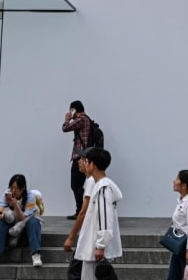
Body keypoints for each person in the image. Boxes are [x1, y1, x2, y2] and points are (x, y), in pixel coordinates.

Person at [72, 148, 123, 280]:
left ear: (92, 164)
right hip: (93, 245)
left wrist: (100, 245)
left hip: (95, 246)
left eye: (86, 161)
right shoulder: (99, 185)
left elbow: (105, 217)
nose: (84, 164)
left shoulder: (103, 188)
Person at [0, 174, 43, 267]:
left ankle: (36, 254)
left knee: (34, 221)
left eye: (16, 188)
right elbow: (0, 207)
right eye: (12, 187)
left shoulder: (30, 196)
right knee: (1, 221)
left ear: (23, 188)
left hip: (24, 225)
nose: (13, 190)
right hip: (10, 226)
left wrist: (15, 204)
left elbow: (22, 218)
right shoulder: (7, 193)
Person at [63, 100, 92, 219]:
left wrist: (67, 119)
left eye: (71, 110)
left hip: (80, 157)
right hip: (84, 156)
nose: (70, 112)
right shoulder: (87, 119)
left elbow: (65, 128)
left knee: (76, 185)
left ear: (74, 109)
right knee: (78, 186)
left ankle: (81, 212)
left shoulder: (81, 119)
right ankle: (83, 210)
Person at [64, 148, 95, 253]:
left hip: (91, 235)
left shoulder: (91, 181)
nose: (79, 161)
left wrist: (70, 238)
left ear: (91, 164)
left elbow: (83, 212)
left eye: (82, 159)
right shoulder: (90, 180)